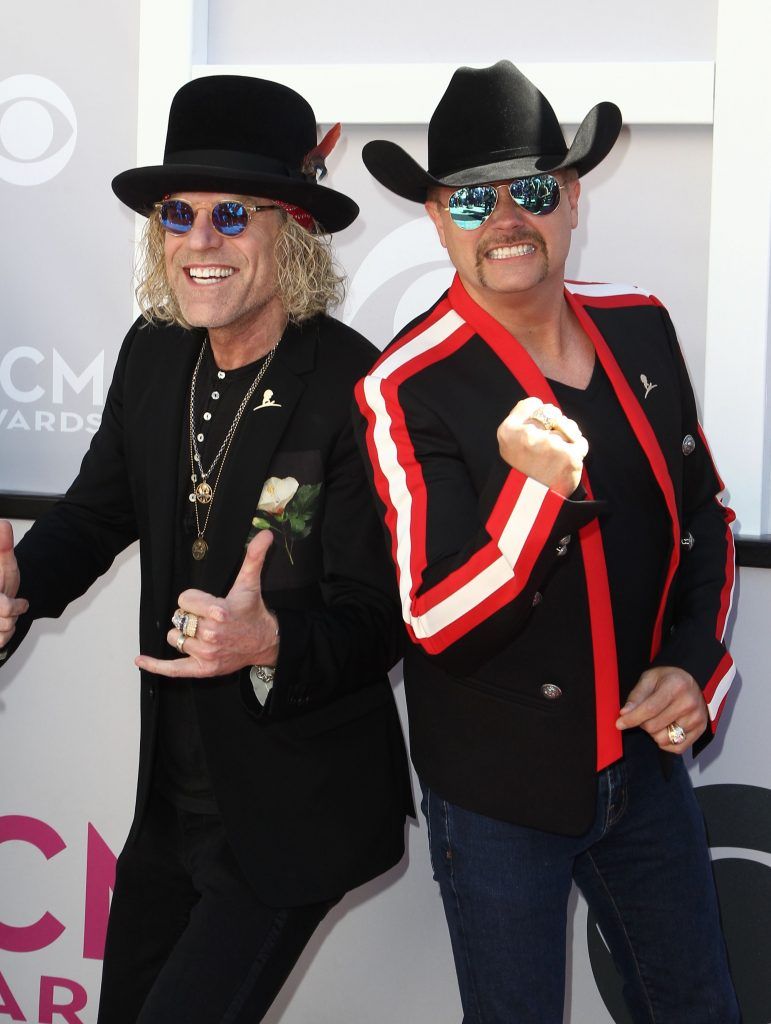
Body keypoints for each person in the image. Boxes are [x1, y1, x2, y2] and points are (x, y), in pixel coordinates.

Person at [0, 74, 412, 1024]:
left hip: (292, 814)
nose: (199, 241)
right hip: (172, 803)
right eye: (175, 214)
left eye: (233, 213)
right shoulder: (153, 353)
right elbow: (97, 516)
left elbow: (377, 620)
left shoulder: (357, 386)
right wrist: (21, 586)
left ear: (292, 229)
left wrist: (268, 642)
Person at [355, 60, 739, 1023]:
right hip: (498, 798)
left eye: (531, 191)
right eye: (471, 199)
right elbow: (437, 618)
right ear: (437, 219)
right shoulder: (404, 385)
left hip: (645, 774)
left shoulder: (639, 324)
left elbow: (706, 521)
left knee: (696, 1008)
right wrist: (534, 493)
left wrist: (694, 671)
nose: (504, 219)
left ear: (570, 201)